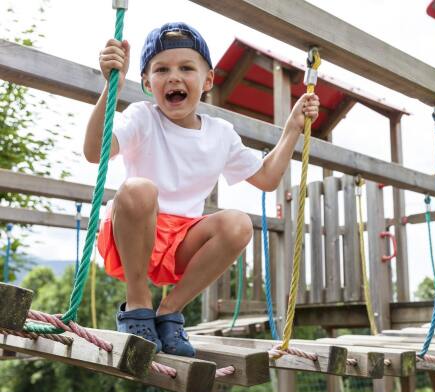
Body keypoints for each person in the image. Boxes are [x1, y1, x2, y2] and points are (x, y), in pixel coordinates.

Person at [85, 22, 320, 357]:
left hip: (183, 243)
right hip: (134, 233)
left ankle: (170, 312)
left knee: (238, 223)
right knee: (139, 189)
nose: (174, 77)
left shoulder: (220, 133)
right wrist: (112, 88)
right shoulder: (141, 116)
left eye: (186, 68)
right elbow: (95, 151)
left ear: (208, 80)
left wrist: (293, 128)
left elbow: (267, 178)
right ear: (148, 83)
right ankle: (138, 305)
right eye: (161, 69)